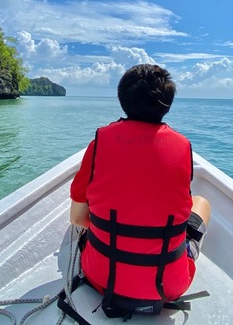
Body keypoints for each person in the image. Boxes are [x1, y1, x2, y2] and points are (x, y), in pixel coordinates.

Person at [68, 64, 211, 318]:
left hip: (101, 277)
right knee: (202, 203)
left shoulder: (100, 143)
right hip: (168, 286)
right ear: (167, 103)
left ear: (123, 99)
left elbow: (78, 219)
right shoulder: (183, 147)